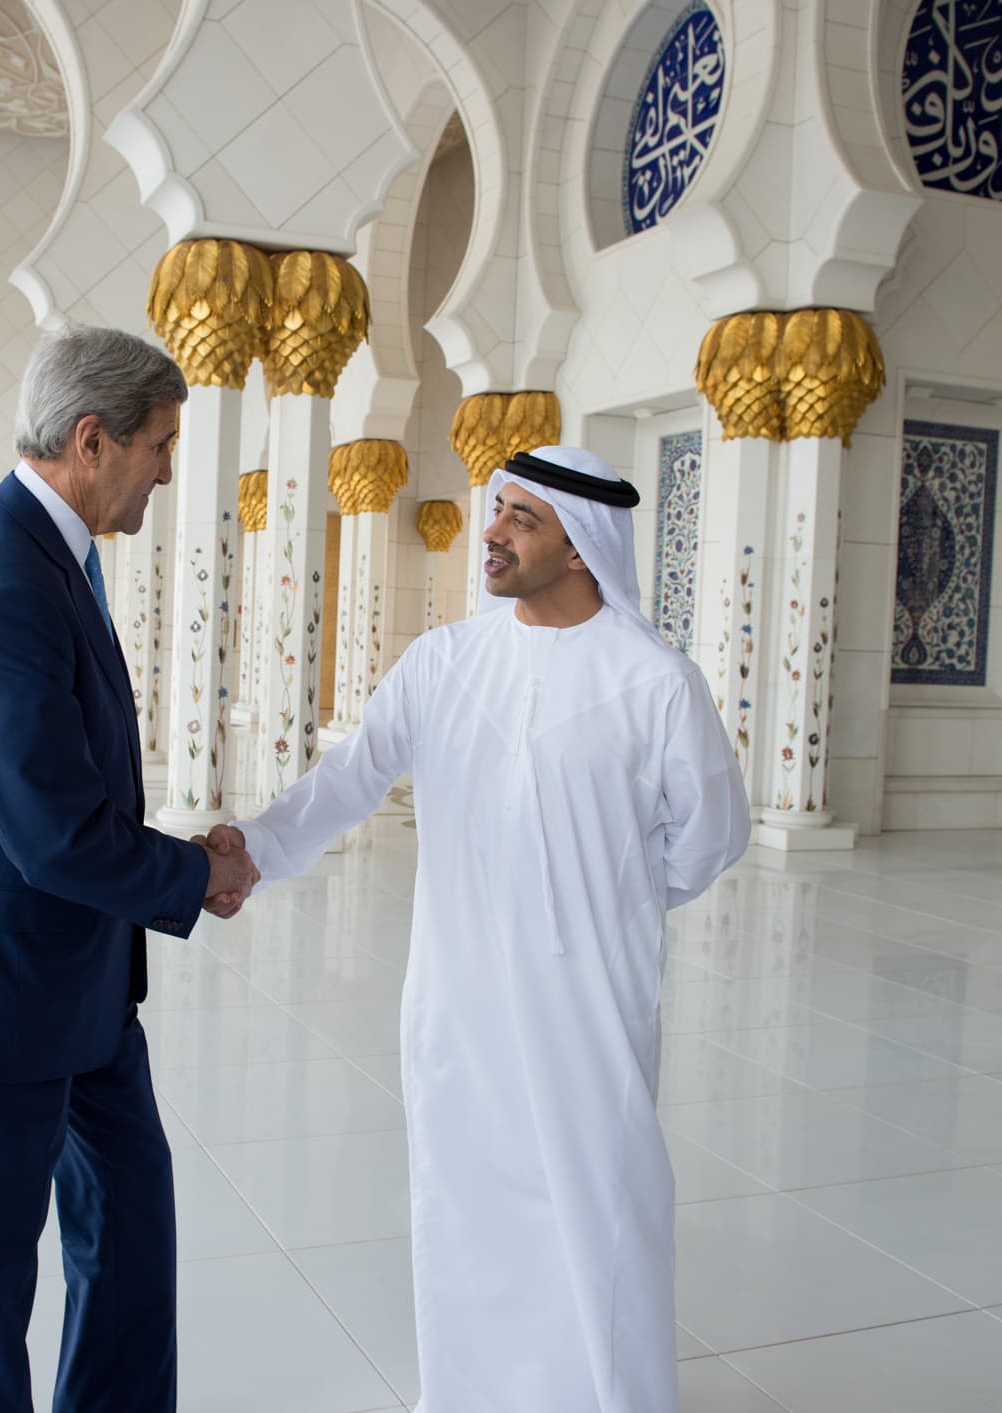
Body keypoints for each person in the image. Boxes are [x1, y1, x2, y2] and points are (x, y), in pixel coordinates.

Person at [210, 445, 750, 1413]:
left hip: (587, 1003)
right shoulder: (445, 663)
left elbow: (710, 837)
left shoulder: (654, 682)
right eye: (496, 509)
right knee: (465, 1204)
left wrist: (605, 900)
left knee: (599, 1207)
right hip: (456, 1000)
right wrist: (249, 848)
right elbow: (349, 779)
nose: (491, 533)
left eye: (519, 518)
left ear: (580, 548)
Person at [0, 325, 258, 1413]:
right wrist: (196, 877)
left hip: (78, 981)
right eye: (158, 445)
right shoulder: (1, 577)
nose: (166, 471)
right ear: (91, 441)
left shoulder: (49, 554)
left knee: (129, 1228)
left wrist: (183, 861)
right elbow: (50, 830)